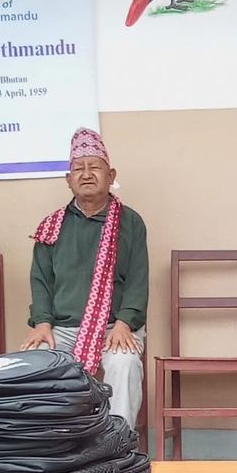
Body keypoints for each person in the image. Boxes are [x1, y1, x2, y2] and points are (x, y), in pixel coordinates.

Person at [23, 128, 148, 427]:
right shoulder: (51, 226)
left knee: (125, 363)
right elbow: (40, 281)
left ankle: (118, 442)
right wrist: (42, 323)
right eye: (79, 168)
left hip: (114, 327)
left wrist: (124, 323)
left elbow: (138, 279)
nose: (87, 174)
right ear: (69, 179)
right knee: (35, 361)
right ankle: (57, 445)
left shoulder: (130, 222)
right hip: (62, 328)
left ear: (110, 175)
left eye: (95, 167)